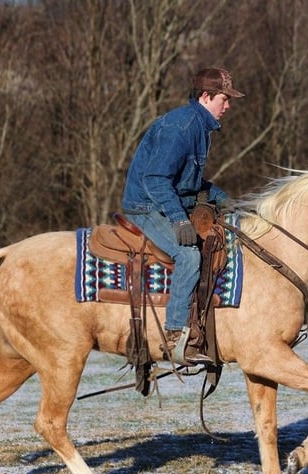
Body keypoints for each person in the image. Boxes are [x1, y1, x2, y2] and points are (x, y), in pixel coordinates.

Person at [121, 66, 244, 365]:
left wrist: (223, 199)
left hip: (167, 199)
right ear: (206, 96)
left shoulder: (200, 128)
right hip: (146, 205)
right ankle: (175, 337)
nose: (228, 106)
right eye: (224, 99)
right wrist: (178, 219)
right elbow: (155, 180)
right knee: (188, 255)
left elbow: (187, 182)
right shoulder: (182, 128)